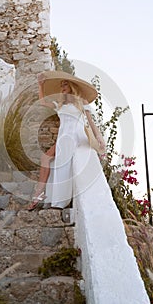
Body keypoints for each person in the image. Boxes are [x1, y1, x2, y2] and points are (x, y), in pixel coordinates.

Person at [27, 70, 105, 211]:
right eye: (61, 85)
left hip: (75, 137)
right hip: (63, 138)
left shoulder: (82, 102)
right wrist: (40, 85)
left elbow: (91, 123)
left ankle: (54, 199)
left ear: (71, 86)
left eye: (65, 84)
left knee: (60, 164)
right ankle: (39, 194)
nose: (62, 87)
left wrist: (99, 137)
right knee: (46, 158)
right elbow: (42, 102)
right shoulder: (60, 105)